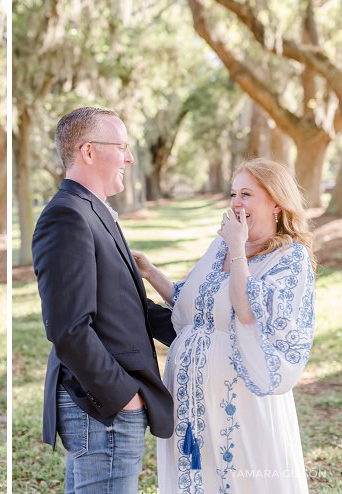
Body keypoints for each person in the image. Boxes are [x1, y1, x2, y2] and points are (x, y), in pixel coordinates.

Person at [132, 158, 315, 493]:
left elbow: (245, 311)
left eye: (247, 194)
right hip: (191, 401)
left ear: (275, 202)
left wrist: (236, 247)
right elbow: (193, 305)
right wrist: (151, 272)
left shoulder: (289, 259)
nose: (235, 203)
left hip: (242, 405)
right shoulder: (222, 248)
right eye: (233, 193)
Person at [31, 107, 177, 493]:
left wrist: (197, 331)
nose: (129, 158)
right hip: (101, 406)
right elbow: (69, 329)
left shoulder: (94, 212)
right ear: (88, 151)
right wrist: (121, 396)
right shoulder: (66, 216)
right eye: (122, 147)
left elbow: (129, 308)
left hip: (106, 406)